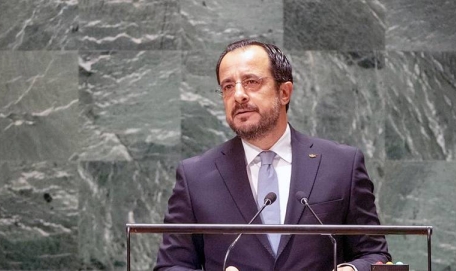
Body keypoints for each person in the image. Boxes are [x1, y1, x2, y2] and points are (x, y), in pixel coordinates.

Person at [154, 39, 391, 271]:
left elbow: (374, 255)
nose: (238, 95)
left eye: (251, 82)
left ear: (284, 92)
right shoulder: (195, 177)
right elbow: (172, 265)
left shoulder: (341, 165)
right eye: (228, 86)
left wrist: (350, 269)